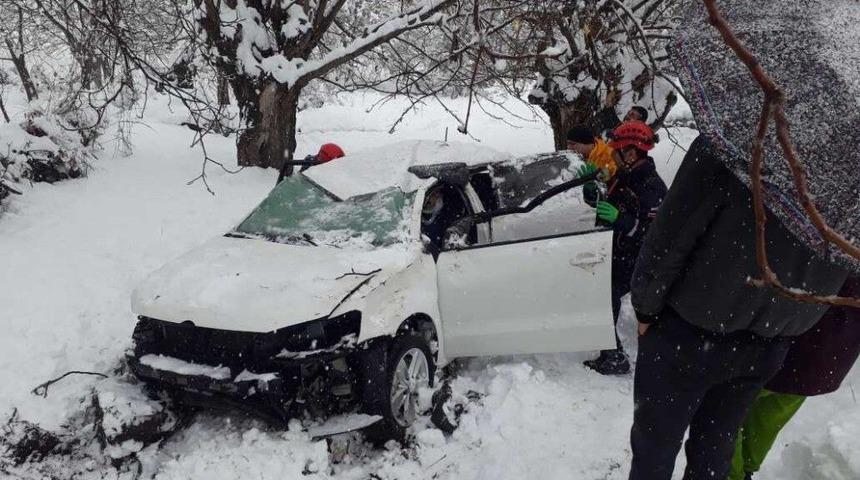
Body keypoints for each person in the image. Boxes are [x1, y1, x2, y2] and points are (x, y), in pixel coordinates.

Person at [627, 135, 849, 480]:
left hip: (689, 331)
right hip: (768, 341)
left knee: (655, 446)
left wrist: (645, 307)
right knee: (716, 445)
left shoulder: (736, 138)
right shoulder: (850, 179)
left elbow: (671, 233)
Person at [728, 277, 860, 480]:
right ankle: (744, 469)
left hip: (791, 342)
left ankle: (731, 473)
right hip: (827, 358)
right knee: (767, 418)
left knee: (723, 410)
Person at [578, 121, 667, 375]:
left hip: (634, 259)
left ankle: (614, 356)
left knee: (606, 297)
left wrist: (622, 221)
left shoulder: (653, 188)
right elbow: (604, 204)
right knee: (603, 296)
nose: (611, 154)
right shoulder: (623, 175)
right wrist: (590, 189)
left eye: (615, 150)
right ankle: (611, 351)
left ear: (630, 153)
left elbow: (655, 235)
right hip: (614, 250)